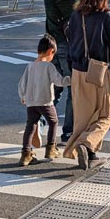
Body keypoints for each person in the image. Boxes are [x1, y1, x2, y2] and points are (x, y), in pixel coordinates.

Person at [63, 0, 110, 170]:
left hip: (78, 72)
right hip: (97, 72)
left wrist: (72, 66)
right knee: (106, 114)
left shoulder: (76, 16)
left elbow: (70, 43)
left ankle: (90, 154)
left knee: (84, 118)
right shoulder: (105, 17)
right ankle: (86, 144)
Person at [41, 0, 97, 144]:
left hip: (51, 45)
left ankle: (40, 122)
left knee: (53, 88)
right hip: (68, 45)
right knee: (72, 89)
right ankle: (67, 132)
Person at [17, 34, 72, 166]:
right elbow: (59, 81)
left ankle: (25, 154)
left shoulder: (30, 66)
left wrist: (23, 96)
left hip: (31, 103)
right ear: (50, 51)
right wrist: (71, 79)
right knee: (53, 122)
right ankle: (51, 148)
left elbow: (21, 84)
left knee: (30, 126)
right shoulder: (48, 66)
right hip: (45, 102)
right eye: (54, 54)